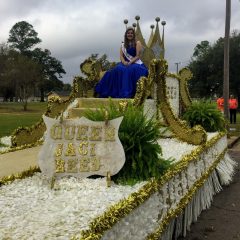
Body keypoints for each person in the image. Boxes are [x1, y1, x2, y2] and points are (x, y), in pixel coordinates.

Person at [95, 26, 148, 98]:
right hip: (124, 63)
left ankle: (128, 93)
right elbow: (121, 56)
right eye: (128, 33)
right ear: (126, 35)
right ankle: (109, 91)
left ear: (133, 35)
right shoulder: (123, 45)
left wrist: (130, 62)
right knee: (117, 69)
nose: (130, 34)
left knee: (131, 70)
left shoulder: (137, 43)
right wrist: (124, 62)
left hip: (135, 62)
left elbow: (138, 56)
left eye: (131, 33)